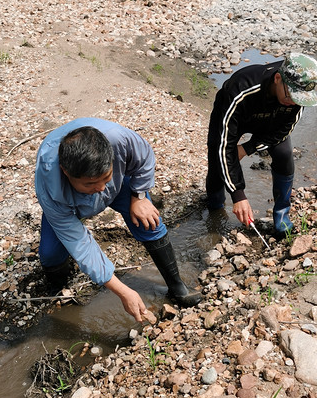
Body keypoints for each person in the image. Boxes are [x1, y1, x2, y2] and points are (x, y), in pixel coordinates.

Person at [35, 118, 201, 322]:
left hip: (121, 185)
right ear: (66, 172)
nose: (101, 189)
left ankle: (177, 285)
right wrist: (123, 291)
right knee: (51, 254)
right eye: (90, 183)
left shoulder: (118, 138)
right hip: (68, 201)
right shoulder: (50, 190)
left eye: (105, 178)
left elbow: (144, 158)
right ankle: (59, 290)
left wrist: (139, 196)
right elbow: (80, 244)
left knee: (148, 221)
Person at [206, 52, 317, 236]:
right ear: (277, 78)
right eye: (291, 96)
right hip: (238, 114)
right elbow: (224, 146)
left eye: (298, 99)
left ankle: (282, 216)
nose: (293, 103)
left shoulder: (297, 97)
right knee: (217, 159)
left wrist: (247, 148)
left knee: (284, 154)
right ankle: (215, 209)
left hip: (271, 121)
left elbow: (282, 132)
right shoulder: (240, 90)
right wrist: (238, 195)